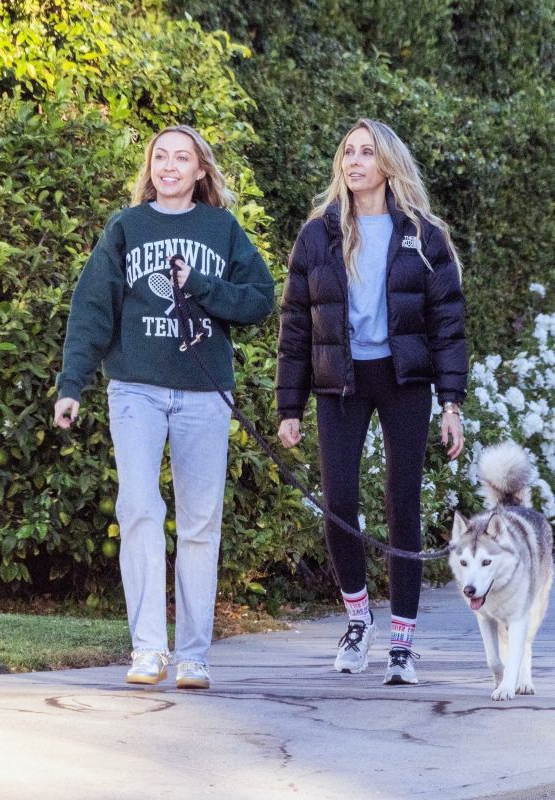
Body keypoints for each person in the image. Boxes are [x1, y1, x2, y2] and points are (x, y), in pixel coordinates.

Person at [54, 124, 274, 689]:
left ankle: (194, 655)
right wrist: (72, 384)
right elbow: (92, 310)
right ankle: (149, 648)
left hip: (204, 396)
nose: (169, 166)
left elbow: (259, 300)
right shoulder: (126, 228)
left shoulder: (222, 229)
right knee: (139, 509)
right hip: (136, 390)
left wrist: (199, 285)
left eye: (183, 158)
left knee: (201, 523)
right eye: (160, 157)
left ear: (202, 170)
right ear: (150, 168)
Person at [276, 119, 467, 685]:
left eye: (365, 152)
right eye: (347, 153)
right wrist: (289, 407)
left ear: (387, 164)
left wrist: (451, 403)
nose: (353, 161)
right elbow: (295, 328)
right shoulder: (319, 234)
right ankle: (359, 620)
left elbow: (448, 326)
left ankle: (403, 643)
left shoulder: (424, 236)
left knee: (402, 506)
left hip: (404, 380)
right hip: (341, 380)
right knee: (338, 504)